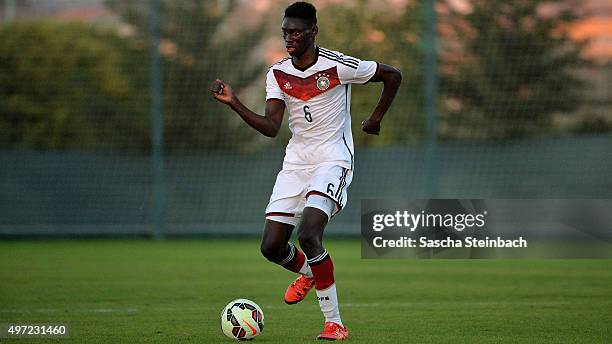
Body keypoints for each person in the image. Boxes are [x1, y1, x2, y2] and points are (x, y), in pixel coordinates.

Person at [211, 1, 401, 340]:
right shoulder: (278, 73)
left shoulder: (338, 66)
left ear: (312, 32)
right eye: (285, 32)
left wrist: (375, 119)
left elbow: (392, 76)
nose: (289, 38)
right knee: (271, 247)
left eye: (296, 32)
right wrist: (236, 103)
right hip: (295, 164)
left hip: (333, 160)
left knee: (310, 233)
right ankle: (311, 272)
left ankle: (334, 323)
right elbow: (271, 127)